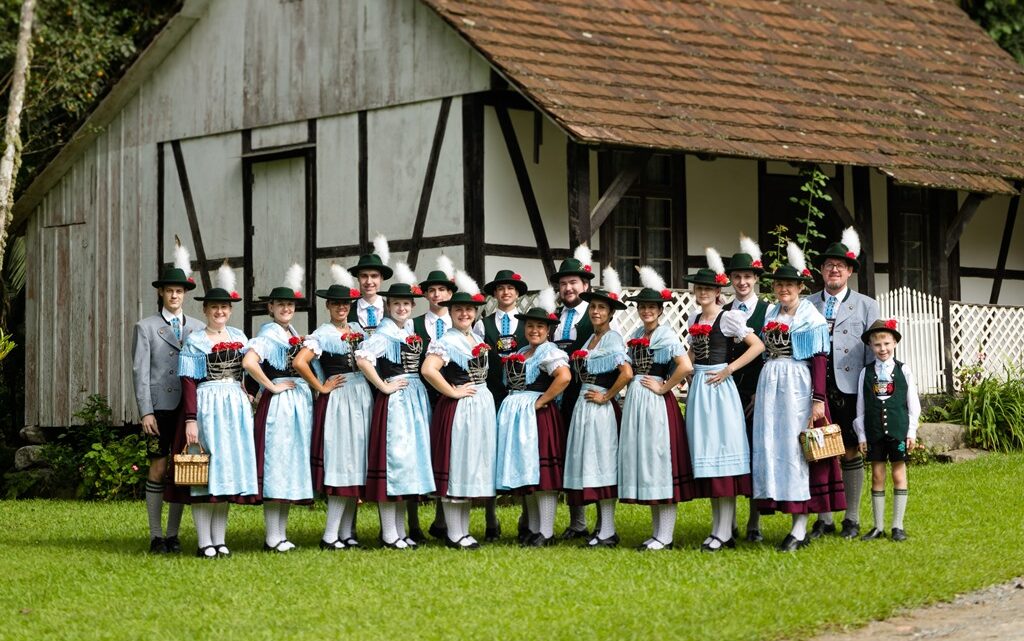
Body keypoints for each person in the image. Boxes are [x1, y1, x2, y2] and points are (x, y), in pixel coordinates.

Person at [752, 243, 845, 552]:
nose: (783, 290)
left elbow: (820, 359)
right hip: (771, 387)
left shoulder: (810, 317)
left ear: (800, 287)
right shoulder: (770, 313)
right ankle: (779, 509)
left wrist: (818, 400)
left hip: (796, 388)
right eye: (779, 285)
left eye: (789, 285)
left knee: (797, 452)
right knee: (773, 447)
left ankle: (800, 528)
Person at [683, 249, 765, 552]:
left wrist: (729, 369)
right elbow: (692, 352)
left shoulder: (729, 317)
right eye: (699, 289)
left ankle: (724, 533)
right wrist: (683, 373)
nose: (703, 293)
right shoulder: (694, 318)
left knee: (723, 456)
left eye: (708, 289)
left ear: (718, 292)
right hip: (700, 390)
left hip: (720, 390)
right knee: (707, 456)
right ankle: (719, 528)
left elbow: (756, 345)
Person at [177, 264, 258, 558]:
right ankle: (203, 542)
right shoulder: (196, 340)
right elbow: (188, 381)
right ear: (206, 310)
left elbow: (250, 371)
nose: (219, 312)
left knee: (226, 473)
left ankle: (220, 540)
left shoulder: (240, 336)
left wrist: (249, 392)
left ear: (230, 310)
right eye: (214, 308)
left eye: (224, 307)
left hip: (234, 406)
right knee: (203, 475)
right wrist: (191, 419)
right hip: (208, 404)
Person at [293, 264, 372, 550]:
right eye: (337, 303)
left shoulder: (357, 329)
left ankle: (348, 532)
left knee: (357, 463)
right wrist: (321, 386)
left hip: (361, 396)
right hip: (339, 399)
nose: (341, 308)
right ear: (328, 306)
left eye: (345, 304)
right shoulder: (323, 333)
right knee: (343, 463)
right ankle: (330, 535)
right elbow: (300, 362)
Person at [355, 263, 434, 550]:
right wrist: (384, 386)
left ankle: (399, 531)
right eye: (397, 304)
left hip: (413, 398)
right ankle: (390, 533)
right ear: (388, 306)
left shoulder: (406, 329)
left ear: (412, 306)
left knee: (407, 465)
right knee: (395, 462)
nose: (401, 308)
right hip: (397, 401)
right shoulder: (386, 333)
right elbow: (362, 358)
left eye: (406, 304)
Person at [132, 238, 204, 553]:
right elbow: (139, 371)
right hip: (160, 407)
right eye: (169, 290)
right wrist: (146, 411)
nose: (175, 295)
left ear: (185, 294)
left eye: (180, 291)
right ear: (161, 292)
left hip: (188, 408)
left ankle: (173, 534)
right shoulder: (145, 327)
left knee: (182, 469)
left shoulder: (198, 327)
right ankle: (155, 533)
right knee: (159, 468)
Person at [619, 266, 697, 551]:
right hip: (639, 403)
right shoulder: (639, 331)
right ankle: (657, 533)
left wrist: (665, 388)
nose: (647, 311)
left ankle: (666, 536)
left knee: (661, 464)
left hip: (656, 405)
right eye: (643, 307)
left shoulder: (664, 335)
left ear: (661, 310)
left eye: (652, 307)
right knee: (650, 466)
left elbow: (685, 366)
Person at [809, 227, 879, 540]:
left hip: (849, 387)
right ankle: (823, 518)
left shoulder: (866, 305)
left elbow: (873, 350)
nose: (834, 269)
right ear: (821, 271)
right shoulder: (807, 303)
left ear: (849, 271)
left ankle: (851, 518)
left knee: (850, 450)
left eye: (840, 265)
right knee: (819, 450)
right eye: (828, 265)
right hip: (813, 388)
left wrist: (871, 393)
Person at [421, 272, 496, 550]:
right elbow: (428, 369)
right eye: (459, 309)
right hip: (459, 410)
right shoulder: (448, 340)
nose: (464, 313)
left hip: (479, 407)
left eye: (469, 309)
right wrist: (452, 391)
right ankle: (455, 533)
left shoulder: (473, 338)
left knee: (470, 466)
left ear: (475, 313)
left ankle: (462, 530)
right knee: (458, 465)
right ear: (450, 312)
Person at [242, 264, 314, 553]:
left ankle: (280, 534)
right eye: (280, 304)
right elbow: (249, 362)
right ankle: (273, 536)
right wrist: (270, 387)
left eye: (290, 304)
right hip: (280, 405)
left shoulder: (290, 332)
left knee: (289, 467)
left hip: (296, 403)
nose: (286, 308)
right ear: (270, 307)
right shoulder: (269, 334)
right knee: (277, 466)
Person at [494, 288, 571, 547]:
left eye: (540, 326)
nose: (534, 330)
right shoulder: (524, 351)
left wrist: (541, 401)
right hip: (519, 418)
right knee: (527, 472)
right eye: (530, 326)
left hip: (538, 417)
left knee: (543, 475)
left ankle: (546, 532)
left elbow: (564, 377)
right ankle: (534, 529)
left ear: (548, 330)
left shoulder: (548, 351)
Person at [563, 267, 633, 548]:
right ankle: (601, 528)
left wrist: (607, 398)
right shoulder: (590, 339)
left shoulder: (612, 338)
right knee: (590, 463)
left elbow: (626, 372)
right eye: (592, 307)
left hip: (600, 408)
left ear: (610, 313)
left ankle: (608, 530)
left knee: (603, 464)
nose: (596, 312)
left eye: (601, 308)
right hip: (584, 406)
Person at [722, 235, 771, 541]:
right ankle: (728, 522)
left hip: (756, 391)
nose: (742, 282)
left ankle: (754, 522)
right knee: (728, 453)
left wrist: (760, 393)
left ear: (755, 279)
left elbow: (771, 355)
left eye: (747, 277)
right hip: (726, 393)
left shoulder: (768, 311)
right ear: (731, 280)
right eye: (737, 277)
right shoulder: (722, 309)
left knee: (754, 455)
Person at [475, 269, 529, 541]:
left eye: (511, 288)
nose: (506, 293)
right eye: (501, 288)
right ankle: (490, 518)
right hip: (493, 394)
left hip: (521, 398)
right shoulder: (483, 325)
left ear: (518, 293)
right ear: (494, 294)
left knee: (523, 452)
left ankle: (526, 518)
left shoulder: (528, 324)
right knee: (490, 454)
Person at [854, 319, 920, 542]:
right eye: (877, 345)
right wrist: (862, 435)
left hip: (898, 431)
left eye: (886, 344)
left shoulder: (904, 370)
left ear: (894, 344)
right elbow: (861, 407)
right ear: (871, 347)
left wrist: (911, 432)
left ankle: (897, 526)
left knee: (898, 474)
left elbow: (913, 405)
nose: (882, 349)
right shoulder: (866, 373)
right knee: (877, 477)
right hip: (874, 433)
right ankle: (878, 526)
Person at [408, 256, 457, 542]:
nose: (437, 295)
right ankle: (413, 523)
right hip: (419, 399)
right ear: (425, 294)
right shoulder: (413, 325)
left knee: (446, 457)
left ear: (450, 294)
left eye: (442, 290)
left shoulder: (462, 323)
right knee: (415, 456)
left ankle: (441, 519)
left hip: (451, 401)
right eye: (432, 290)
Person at [551, 244, 598, 540]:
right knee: (565, 455)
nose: (568, 288)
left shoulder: (594, 316)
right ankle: (576, 521)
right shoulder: (553, 317)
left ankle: (597, 522)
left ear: (585, 285)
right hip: (558, 396)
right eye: (564, 283)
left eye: (573, 283)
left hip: (585, 393)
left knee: (587, 455)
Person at [347, 234, 392, 335]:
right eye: (364, 276)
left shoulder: (393, 310)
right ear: (358, 278)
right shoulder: (347, 311)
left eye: (374, 276)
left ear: (382, 278)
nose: (369, 281)